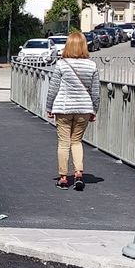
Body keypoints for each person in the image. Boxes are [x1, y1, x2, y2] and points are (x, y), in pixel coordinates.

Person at [44, 32, 100, 191]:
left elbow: (53, 89)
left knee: (63, 142)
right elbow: (96, 92)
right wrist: (94, 109)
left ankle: (63, 178)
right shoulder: (92, 65)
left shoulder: (61, 64)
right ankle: (78, 174)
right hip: (83, 108)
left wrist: (49, 107)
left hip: (63, 108)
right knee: (76, 141)